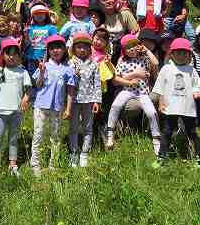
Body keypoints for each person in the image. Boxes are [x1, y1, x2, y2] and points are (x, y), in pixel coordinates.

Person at [152, 38, 200, 168]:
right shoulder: (166, 69)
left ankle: (199, 156)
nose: (181, 56)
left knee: (192, 132)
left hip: (187, 107)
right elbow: (160, 87)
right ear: (171, 54)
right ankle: (161, 156)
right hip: (170, 107)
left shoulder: (191, 70)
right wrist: (160, 102)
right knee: (167, 132)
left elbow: (196, 85)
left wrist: (197, 92)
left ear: (189, 55)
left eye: (185, 53)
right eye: (178, 53)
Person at [0, 38, 32, 176]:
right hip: (0, 110)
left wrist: (26, 98)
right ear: (2, 55)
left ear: (19, 56)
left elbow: (28, 89)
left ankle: (12, 164)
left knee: (13, 138)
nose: (11, 56)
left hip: (16, 111)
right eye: (8, 53)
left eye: (15, 54)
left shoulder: (22, 71)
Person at [106, 34, 160, 154]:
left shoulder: (144, 58)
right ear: (124, 50)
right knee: (115, 106)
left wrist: (146, 50)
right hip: (127, 90)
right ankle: (110, 134)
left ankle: (156, 139)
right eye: (127, 47)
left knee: (152, 112)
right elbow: (117, 79)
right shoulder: (122, 60)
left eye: (133, 46)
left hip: (142, 92)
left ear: (138, 46)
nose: (131, 49)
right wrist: (135, 75)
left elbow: (155, 63)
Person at [30, 36, 75, 175]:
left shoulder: (67, 69)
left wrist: (68, 108)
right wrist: (41, 72)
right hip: (41, 106)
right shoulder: (44, 66)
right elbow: (37, 85)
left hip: (57, 107)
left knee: (56, 136)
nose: (56, 51)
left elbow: (70, 90)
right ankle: (35, 164)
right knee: (38, 134)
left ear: (64, 50)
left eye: (59, 48)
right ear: (48, 51)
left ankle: (53, 164)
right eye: (52, 48)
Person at [68, 32, 101, 168]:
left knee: (88, 127)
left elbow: (97, 83)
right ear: (74, 48)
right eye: (79, 47)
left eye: (85, 47)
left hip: (89, 100)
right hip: (74, 100)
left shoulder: (93, 64)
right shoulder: (70, 63)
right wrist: (73, 75)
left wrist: (97, 101)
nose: (82, 50)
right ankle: (74, 152)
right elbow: (66, 82)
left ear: (90, 48)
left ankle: (84, 152)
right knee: (73, 127)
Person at [23, 4, 58, 74]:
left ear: (46, 15)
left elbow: (55, 42)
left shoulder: (51, 28)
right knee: (32, 77)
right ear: (33, 16)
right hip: (32, 58)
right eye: (36, 14)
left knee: (45, 76)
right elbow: (27, 43)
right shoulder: (30, 28)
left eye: (42, 13)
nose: (39, 16)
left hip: (46, 59)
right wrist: (26, 35)